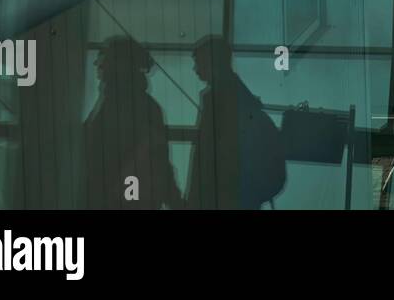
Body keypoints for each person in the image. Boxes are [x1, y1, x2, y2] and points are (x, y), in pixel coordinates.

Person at [82, 36, 182, 209]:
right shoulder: (144, 105)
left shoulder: (112, 104)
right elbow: (159, 161)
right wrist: (175, 200)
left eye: (104, 58)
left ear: (119, 64)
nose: (98, 64)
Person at [186, 36, 286, 209]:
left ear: (212, 62)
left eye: (199, 62)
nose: (195, 69)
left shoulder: (218, 101)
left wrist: (194, 201)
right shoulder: (243, 101)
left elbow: (205, 159)